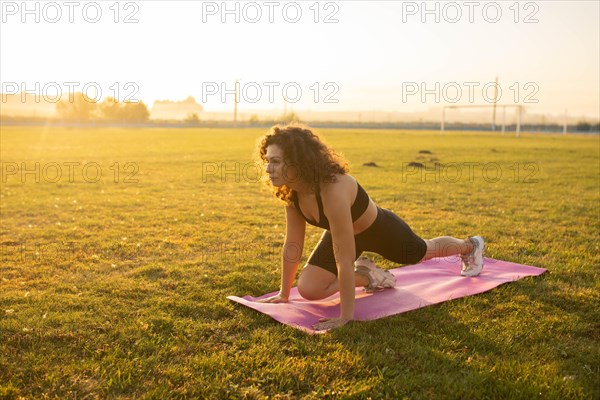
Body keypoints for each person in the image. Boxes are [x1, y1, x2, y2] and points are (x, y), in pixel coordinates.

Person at [255, 124, 484, 331]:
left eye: (275, 161)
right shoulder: (291, 193)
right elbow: (293, 244)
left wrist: (346, 316)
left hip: (379, 230)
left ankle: (469, 246)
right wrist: (284, 294)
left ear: (299, 161)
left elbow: (343, 260)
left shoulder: (333, 189)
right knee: (309, 289)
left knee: (422, 251)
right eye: (267, 161)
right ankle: (368, 275)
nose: (268, 169)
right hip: (345, 232)